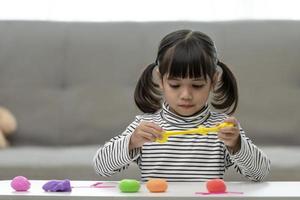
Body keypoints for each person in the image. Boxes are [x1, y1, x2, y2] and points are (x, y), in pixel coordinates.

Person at [93, 29, 271, 182]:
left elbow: (260, 174)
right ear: (160, 79)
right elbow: (101, 167)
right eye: (175, 85)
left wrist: (237, 144)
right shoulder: (145, 127)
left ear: (214, 81)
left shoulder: (222, 128)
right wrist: (131, 142)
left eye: (197, 85)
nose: (186, 95)